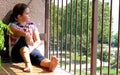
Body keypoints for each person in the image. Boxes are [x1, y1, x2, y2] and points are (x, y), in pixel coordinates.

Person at [8, 3, 58, 72]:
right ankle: (28, 65)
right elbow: (15, 32)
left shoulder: (32, 25)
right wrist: (26, 35)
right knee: (22, 39)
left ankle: (49, 64)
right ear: (19, 16)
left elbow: (38, 41)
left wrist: (32, 48)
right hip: (17, 54)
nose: (29, 16)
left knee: (37, 55)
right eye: (27, 14)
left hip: (29, 51)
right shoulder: (12, 25)